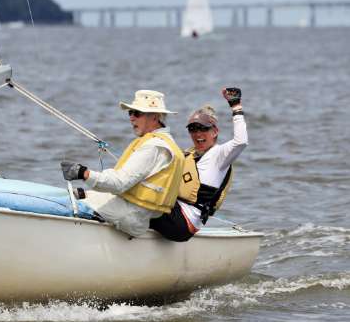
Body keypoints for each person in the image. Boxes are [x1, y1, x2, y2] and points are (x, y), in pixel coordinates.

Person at [61, 90, 185, 238]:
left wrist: (83, 173)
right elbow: (120, 180)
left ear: (154, 117)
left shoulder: (153, 147)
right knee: (75, 196)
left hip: (132, 216)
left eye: (137, 113)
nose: (131, 118)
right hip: (133, 211)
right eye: (130, 113)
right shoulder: (165, 141)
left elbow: (118, 183)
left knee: (66, 205)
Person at [149, 87, 247, 242]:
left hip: (183, 224)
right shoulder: (188, 154)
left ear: (215, 132)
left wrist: (236, 106)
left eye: (203, 129)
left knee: (142, 200)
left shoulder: (220, 155)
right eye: (193, 129)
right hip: (172, 213)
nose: (198, 134)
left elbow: (241, 142)